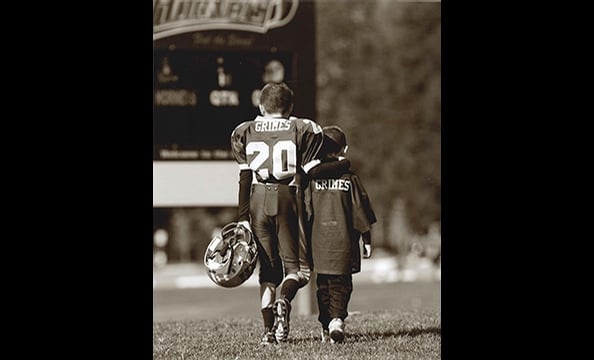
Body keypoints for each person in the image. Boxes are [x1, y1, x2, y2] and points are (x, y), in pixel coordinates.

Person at [230, 82, 348, 345]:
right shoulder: (304, 128)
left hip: (258, 198)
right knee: (299, 271)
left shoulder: (244, 130)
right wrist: (345, 164)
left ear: (261, 106)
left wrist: (242, 217)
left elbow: (244, 177)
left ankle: (269, 332)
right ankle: (284, 300)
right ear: (291, 107)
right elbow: (313, 170)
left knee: (268, 272)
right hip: (287, 197)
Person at [303, 125, 377, 344]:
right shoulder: (349, 178)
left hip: (319, 243)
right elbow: (360, 210)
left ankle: (326, 325)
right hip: (343, 243)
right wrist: (367, 238)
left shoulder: (312, 179)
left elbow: (305, 211)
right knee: (341, 284)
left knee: (323, 285)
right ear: (344, 149)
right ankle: (336, 320)